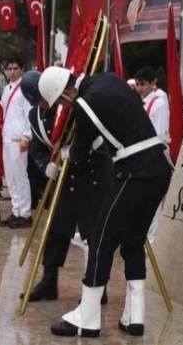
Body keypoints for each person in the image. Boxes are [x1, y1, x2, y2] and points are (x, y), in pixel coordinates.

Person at [37, 66, 173, 337]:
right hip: (160, 169)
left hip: (135, 172)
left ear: (65, 93)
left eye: (62, 102)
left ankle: (87, 318)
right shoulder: (108, 79)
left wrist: (63, 153)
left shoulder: (83, 104)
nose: (65, 106)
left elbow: (79, 151)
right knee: (134, 241)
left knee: (100, 240)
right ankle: (135, 317)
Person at [19, 70, 112, 305]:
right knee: (56, 231)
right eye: (38, 101)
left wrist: (74, 151)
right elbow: (37, 147)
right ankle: (49, 281)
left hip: (89, 173)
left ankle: (97, 285)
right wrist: (45, 166)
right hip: (64, 177)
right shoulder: (34, 116)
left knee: (93, 233)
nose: (45, 104)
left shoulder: (68, 106)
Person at [134, 67, 169, 243]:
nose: (140, 88)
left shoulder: (159, 103)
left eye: (143, 84)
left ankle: (151, 239)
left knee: (152, 202)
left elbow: (161, 134)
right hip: (140, 156)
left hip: (153, 156)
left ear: (153, 83)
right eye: (138, 84)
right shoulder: (140, 103)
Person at [0, 56, 33, 228]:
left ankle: (26, 213)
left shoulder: (25, 89)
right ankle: (16, 210)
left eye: (15, 68)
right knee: (11, 178)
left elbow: (29, 114)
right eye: (10, 68)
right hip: (7, 138)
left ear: (22, 70)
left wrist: (26, 136)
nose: (12, 72)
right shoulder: (7, 89)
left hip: (19, 139)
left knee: (21, 177)